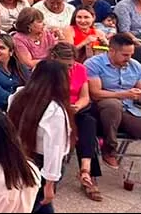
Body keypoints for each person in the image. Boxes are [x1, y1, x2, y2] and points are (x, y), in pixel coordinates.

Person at [87, 32, 141, 198]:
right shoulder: (94, 63)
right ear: (112, 51)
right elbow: (95, 93)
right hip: (101, 110)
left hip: (128, 109)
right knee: (112, 104)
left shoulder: (134, 65)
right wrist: (124, 94)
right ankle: (109, 149)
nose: (128, 58)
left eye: (131, 54)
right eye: (125, 55)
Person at [8, 60, 74, 214]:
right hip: (41, 164)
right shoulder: (55, 110)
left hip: (19, 157)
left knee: (34, 204)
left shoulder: (17, 96)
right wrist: (50, 184)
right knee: (34, 204)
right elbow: (55, 149)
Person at [49, 42, 103, 202]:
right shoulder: (45, 71)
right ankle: (51, 176)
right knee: (59, 127)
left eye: (71, 65)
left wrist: (77, 106)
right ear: (54, 59)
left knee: (88, 123)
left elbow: (85, 96)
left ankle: (86, 172)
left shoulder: (79, 69)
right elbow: (40, 95)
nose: (69, 69)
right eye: (64, 66)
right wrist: (63, 107)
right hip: (52, 109)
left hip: (75, 109)